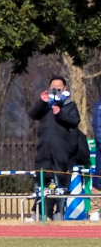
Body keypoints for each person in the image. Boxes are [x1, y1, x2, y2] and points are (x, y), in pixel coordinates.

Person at [27, 76, 84, 219]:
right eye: (54, 87)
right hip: (44, 148)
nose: (56, 89)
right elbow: (32, 114)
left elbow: (74, 121)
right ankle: (40, 212)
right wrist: (42, 101)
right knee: (42, 179)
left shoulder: (70, 105)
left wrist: (60, 113)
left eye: (59, 87)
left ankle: (59, 211)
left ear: (64, 88)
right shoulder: (45, 106)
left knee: (59, 180)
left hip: (62, 149)